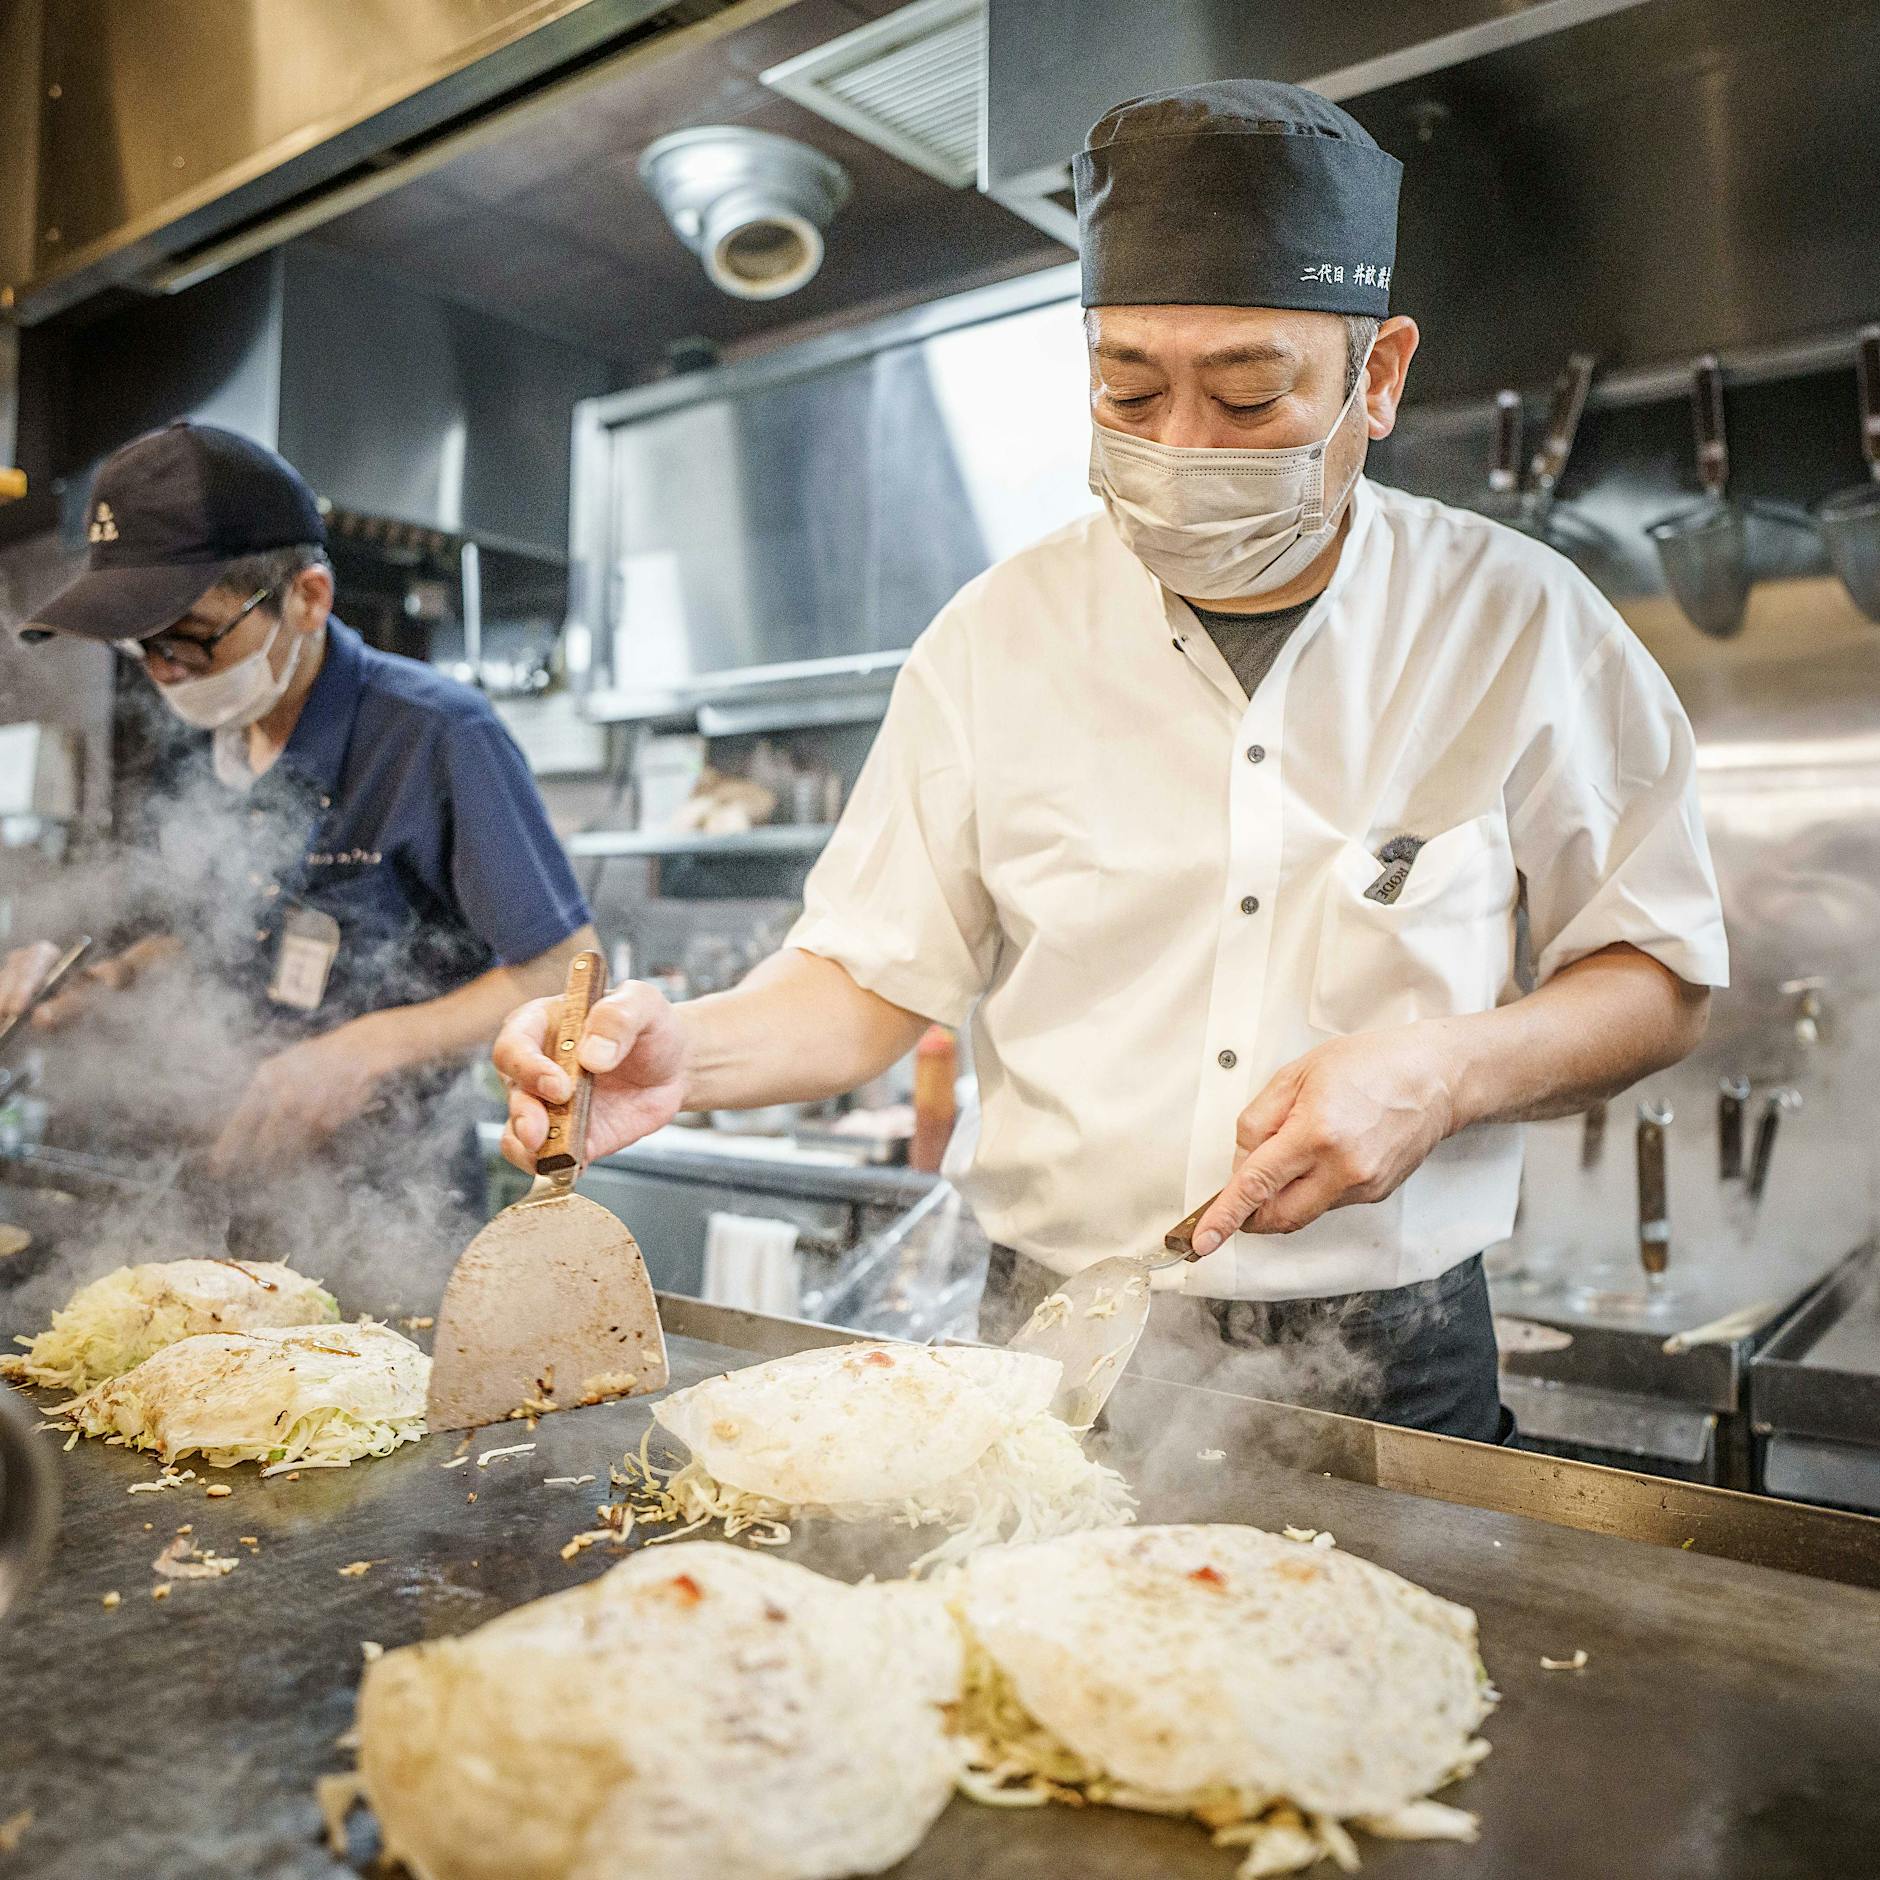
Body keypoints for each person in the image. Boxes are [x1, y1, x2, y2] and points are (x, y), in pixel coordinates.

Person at [493, 81, 1727, 1441]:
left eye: (1250, 396)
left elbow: (1656, 980)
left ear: (1375, 379)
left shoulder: (1517, 621)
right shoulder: (994, 638)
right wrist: (686, 1055)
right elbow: (863, 980)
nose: (1180, 450)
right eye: (1128, 391)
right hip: (1054, 1346)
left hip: (1397, 1357)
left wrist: (1443, 1074)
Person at [1, 421, 596, 1206]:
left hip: (389, 1203)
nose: (165, 676)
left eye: (187, 642)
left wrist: (365, 1049)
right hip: (222, 1177)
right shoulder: (207, 738)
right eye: (140, 650)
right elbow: (216, 930)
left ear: (308, 598)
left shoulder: (435, 734)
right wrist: (109, 978)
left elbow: (569, 970)